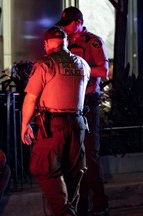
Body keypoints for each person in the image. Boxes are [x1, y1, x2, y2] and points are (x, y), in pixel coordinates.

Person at [21, 26, 90, 216]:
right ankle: (69, 209)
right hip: (78, 124)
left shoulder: (45, 64)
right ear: (65, 42)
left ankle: (65, 212)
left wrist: (24, 125)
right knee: (73, 172)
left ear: (46, 43)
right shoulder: (83, 64)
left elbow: (30, 98)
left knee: (44, 169)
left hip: (53, 126)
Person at [56, 6, 110, 216]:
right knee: (74, 158)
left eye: (69, 25)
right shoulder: (64, 42)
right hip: (69, 106)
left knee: (90, 155)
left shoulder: (92, 41)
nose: (66, 30)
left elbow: (103, 70)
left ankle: (100, 204)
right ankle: (81, 204)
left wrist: (80, 67)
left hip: (87, 104)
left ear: (79, 22)